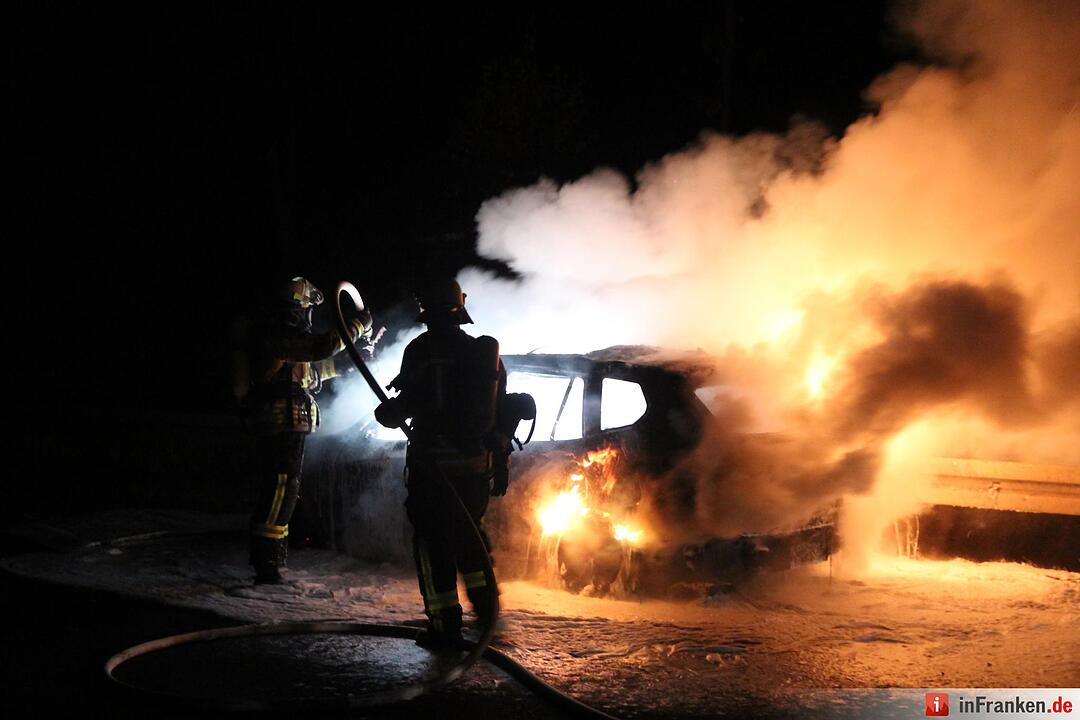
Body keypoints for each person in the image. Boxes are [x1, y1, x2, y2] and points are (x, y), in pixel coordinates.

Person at [375, 279, 526, 645]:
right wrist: (499, 461)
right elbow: (501, 407)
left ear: (425, 311)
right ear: (462, 307)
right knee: (470, 538)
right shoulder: (483, 353)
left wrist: (389, 412)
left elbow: (405, 406)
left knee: (433, 545)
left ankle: (444, 627)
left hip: (433, 468)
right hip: (474, 468)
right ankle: (488, 615)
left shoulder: (422, 350)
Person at [238, 276, 372, 584]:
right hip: (279, 421)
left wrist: (348, 366)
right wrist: (356, 328)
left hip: (290, 421)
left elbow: (310, 373)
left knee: (286, 491)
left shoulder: (284, 337)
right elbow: (319, 347)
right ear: (298, 308)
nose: (309, 317)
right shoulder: (277, 332)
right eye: (307, 310)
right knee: (279, 490)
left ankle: (273, 559)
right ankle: (266, 562)